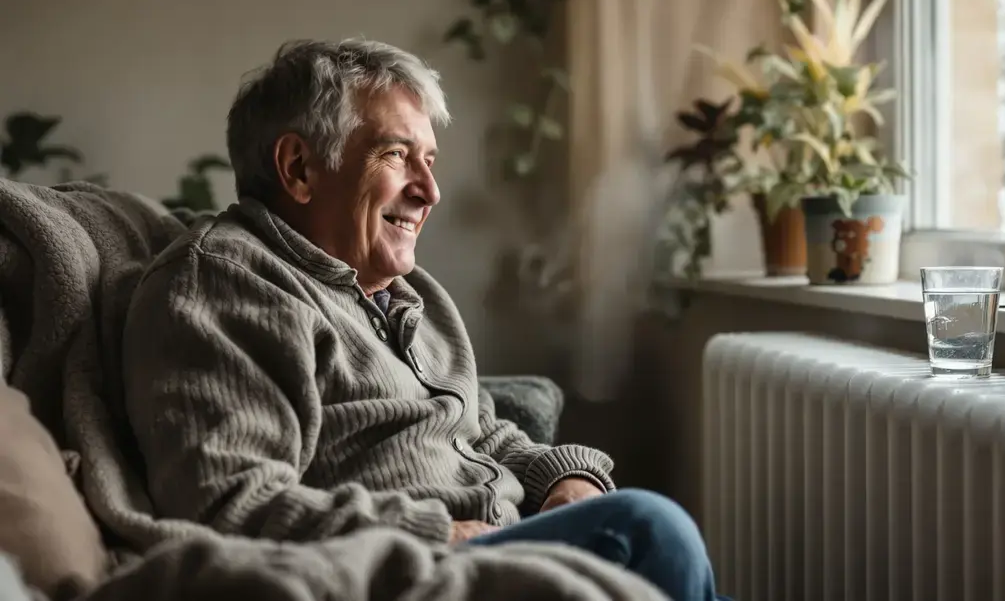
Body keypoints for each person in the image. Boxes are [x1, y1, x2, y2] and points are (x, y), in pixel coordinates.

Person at [120, 38, 727, 601]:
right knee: (650, 529)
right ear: (299, 168)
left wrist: (564, 480)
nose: (430, 191)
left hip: (491, 545)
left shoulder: (410, 294)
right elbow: (228, 503)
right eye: (396, 155)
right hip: (403, 572)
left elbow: (475, 432)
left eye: (429, 160)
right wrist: (441, 534)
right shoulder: (227, 282)